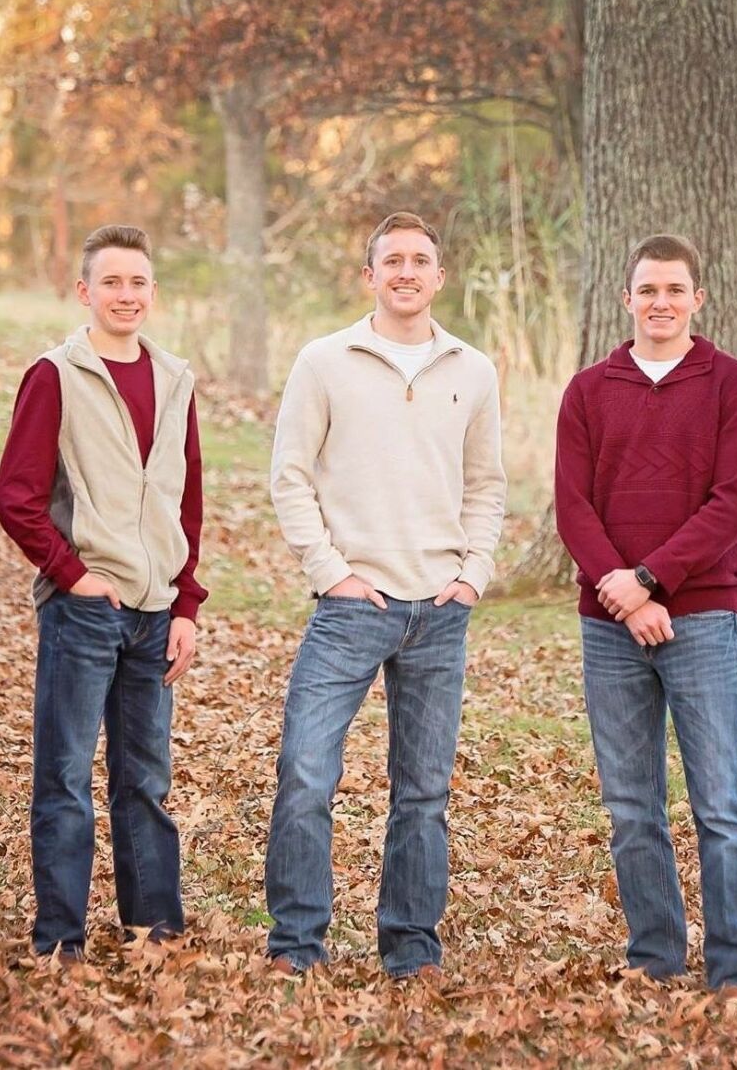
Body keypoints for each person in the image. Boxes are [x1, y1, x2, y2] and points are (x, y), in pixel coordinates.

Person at [265, 211, 506, 979]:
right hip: (350, 605)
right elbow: (289, 476)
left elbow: (486, 484)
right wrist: (330, 570)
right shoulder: (324, 361)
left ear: (440, 277)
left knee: (424, 792)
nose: (406, 272)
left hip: (440, 609)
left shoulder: (474, 370)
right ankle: (297, 944)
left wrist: (472, 573)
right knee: (306, 771)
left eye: (419, 261)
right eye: (392, 260)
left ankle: (410, 947)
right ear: (369, 276)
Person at [554, 234, 737, 993]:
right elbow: (572, 506)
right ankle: (655, 955)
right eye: (648, 290)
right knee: (631, 805)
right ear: (627, 300)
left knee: (720, 801)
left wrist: (649, 580)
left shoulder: (732, 385)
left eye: (675, 289)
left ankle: (734, 964)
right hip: (609, 626)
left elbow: (733, 504)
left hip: (702, 620)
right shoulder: (588, 390)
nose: (661, 302)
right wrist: (623, 594)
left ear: (697, 299)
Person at [0, 224, 207, 961]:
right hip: (84, 611)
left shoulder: (175, 379)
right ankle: (60, 940)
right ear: (84, 291)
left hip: (156, 612)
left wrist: (186, 603)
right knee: (64, 776)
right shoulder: (55, 375)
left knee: (144, 779)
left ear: (153, 292)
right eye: (111, 282)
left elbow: (186, 502)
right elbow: (16, 496)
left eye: (137, 282)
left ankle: (154, 930)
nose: (125, 295)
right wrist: (74, 574)